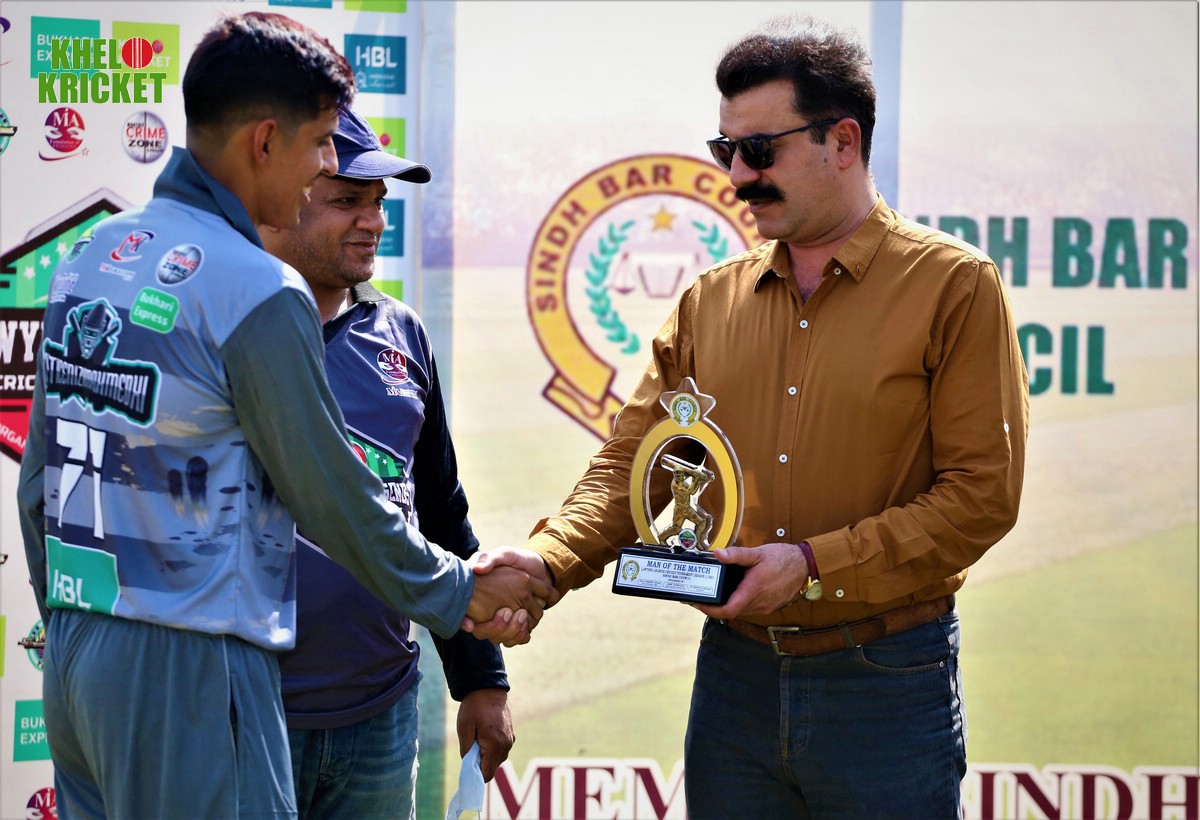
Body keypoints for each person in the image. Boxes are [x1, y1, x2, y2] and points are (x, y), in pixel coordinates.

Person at [468, 13, 1029, 817]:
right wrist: (546, 563)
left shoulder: (954, 286)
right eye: (724, 149)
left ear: (843, 141)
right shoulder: (710, 300)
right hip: (736, 681)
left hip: (884, 685)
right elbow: (635, 465)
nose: (737, 174)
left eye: (759, 150)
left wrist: (811, 566)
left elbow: (980, 498)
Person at [15, 12, 551, 818]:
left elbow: (38, 488)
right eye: (323, 144)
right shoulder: (257, 286)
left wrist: (74, 628)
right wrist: (457, 592)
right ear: (265, 141)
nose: (328, 164)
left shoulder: (94, 253)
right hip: (195, 669)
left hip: (78, 657)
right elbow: (333, 496)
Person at [258, 106, 512, 819]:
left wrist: (482, 680)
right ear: (281, 197)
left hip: (381, 714)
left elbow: (439, 512)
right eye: (347, 201)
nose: (372, 222)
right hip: (245, 714)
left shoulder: (402, 331)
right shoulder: (222, 327)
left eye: (378, 202)